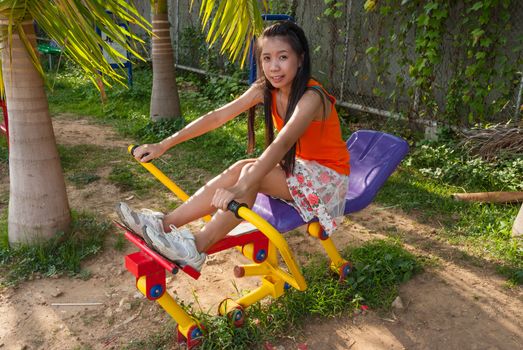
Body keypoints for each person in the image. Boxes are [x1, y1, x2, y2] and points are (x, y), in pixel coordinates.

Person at [116, 21, 350, 272]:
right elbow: (217, 117)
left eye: (283, 57)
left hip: (327, 181)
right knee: (242, 167)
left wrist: (240, 187)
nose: (274, 67)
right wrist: (164, 144)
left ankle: (196, 247)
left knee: (249, 175)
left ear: (300, 59)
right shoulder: (266, 89)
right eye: (266, 58)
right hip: (302, 169)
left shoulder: (312, 97)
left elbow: (282, 143)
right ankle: (163, 225)